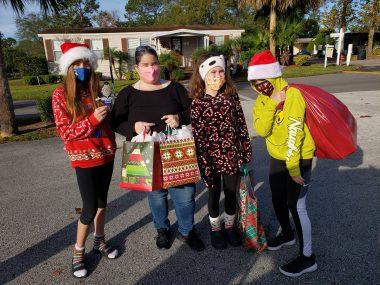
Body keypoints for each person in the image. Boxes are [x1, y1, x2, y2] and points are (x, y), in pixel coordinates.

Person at [111, 45, 205, 252]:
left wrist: (179, 117)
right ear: (137, 67)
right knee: (156, 195)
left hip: (175, 148)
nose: (151, 69)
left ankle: (187, 230)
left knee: (185, 195)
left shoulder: (174, 88)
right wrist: (133, 127)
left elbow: (194, 110)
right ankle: (162, 229)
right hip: (145, 150)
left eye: (154, 64)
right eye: (145, 65)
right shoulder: (127, 94)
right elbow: (115, 122)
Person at [52, 42, 119, 279]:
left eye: (86, 63)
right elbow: (65, 132)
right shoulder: (60, 94)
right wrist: (91, 119)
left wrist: (112, 112)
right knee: (89, 208)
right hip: (84, 158)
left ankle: (99, 242)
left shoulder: (96, 89)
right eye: (77, 64)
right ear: (68, 67)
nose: (82, 68)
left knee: (102, 203)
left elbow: (109, 123)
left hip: (107, 153)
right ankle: (78, 252)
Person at [249, 50, 317, 277]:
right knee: (278, 200)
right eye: (255, 82)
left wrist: (294, 167)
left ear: (273, 76)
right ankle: (287, 234)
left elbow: (295, 131)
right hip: (277, 157)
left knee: (297, 206)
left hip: (298, 158)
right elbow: (261, 129)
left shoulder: (294, 94)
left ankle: (308, 258)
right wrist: (271, 104)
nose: (260, 86)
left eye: (263, 80)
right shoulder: (261, 100)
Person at [189, 53, 252, 250]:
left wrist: (245, 150)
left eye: (220, 71)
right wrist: (203, 164)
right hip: (210, 158)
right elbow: (198, 137)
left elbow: (241, 125)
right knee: (214, 194)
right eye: (212, 72)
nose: (217, 75)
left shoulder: (231, 97)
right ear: (203, 76)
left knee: (231, 192)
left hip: (232, 155)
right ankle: (215, 229)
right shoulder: (197, 103)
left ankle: (230, 226)